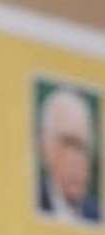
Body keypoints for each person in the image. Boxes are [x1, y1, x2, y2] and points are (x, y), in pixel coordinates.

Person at [37, 85, 101, 224]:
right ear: (45, 147)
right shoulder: (31, 201)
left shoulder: (98, 215)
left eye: (84, 147)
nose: (77, 160)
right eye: (68, 143)